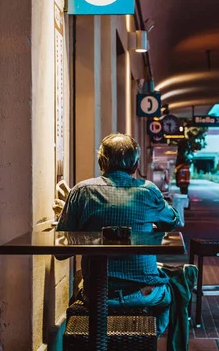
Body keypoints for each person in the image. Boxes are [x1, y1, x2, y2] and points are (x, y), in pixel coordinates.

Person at [56, 133, 180, 336]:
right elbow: (173, 221)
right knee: (170, 295)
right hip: (143, 293)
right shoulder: (148, 192)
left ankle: (105, 339)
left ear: (101, 161)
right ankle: (145, 339)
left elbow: (61, 251)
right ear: (136, 165)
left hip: (96, 293)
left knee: (79, 279)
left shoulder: (81, 192)